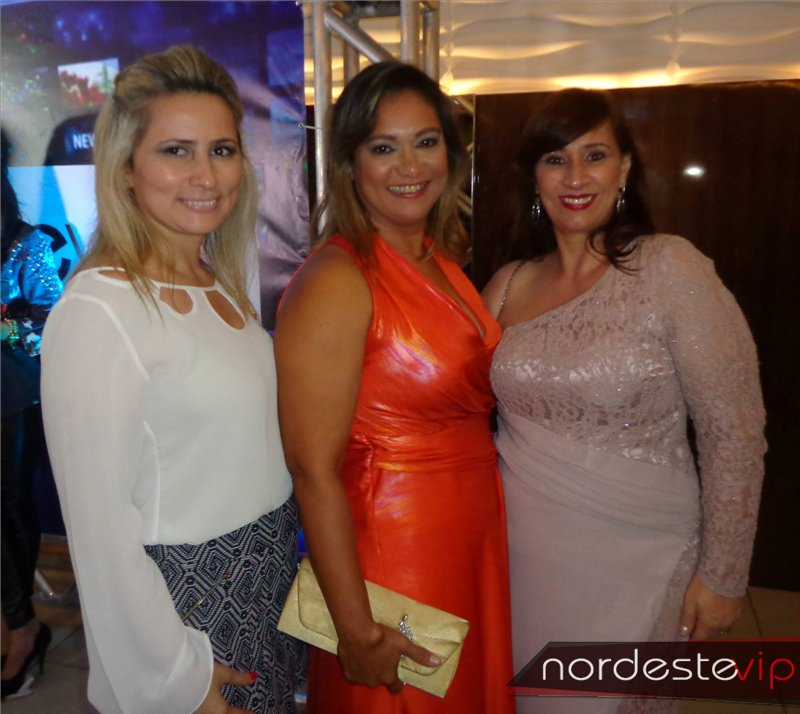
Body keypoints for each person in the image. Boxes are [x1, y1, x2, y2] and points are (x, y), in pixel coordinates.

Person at [482, 88, 767, 713]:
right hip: (524, 558)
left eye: (595, 156)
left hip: (644, 556)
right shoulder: (506, 285)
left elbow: (735, 431)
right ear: (534, 176)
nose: (575, 177)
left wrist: (723, 576)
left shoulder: (670, 269)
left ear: (625, 168)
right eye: (555, 159)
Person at [40, 45, 303, 714]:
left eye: (221, 150)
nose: (205, 175)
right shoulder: (101, 307)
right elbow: (100, 529)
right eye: (176, 151)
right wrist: (174, 678)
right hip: (188, 611)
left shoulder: (217, 282)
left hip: (262, 584)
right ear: (126, 168)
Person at [274, 61, 515, 714]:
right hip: (396, 550)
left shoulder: (439, 257)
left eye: (426, 141)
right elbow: (312, 469)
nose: (410, 165)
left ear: (451, 154)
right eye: (384, 147)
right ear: (350, 163)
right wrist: (355, 628)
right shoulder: (337, 278)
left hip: (465, 534)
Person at [1, 131, 61, 700]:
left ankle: (22, 630)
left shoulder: (25, 243)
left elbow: (51, 317)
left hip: (10, 389)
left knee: (8, 509)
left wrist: (4, 320)